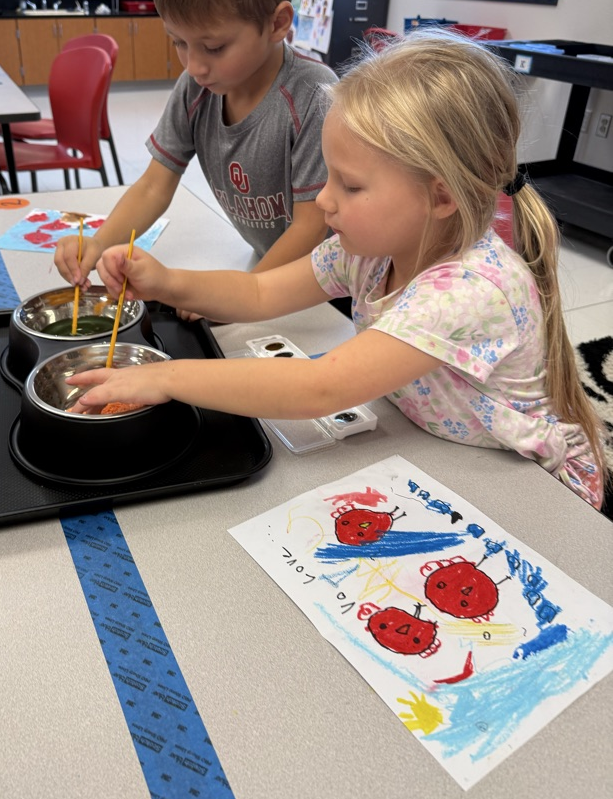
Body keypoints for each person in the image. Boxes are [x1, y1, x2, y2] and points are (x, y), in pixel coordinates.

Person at [67, 31, 608, 509]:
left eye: (349, 186)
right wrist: (166, 281)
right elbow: (259, 294)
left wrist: (164, 377)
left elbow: (320, 388)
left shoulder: (468, 291)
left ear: (440, 196)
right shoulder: (369, 249)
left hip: (534, 492)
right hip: (440, 454)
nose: (323, 201)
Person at [55, 0, 336, 298]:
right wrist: (98, 243)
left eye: (215, 47)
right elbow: (154, 185)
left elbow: (312, 229)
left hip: (331, 292)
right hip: (268, 275)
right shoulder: (198, 87)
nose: (194, 66)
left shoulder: (316, 96)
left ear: (277, 24)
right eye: (178, 42)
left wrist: (235, 295)